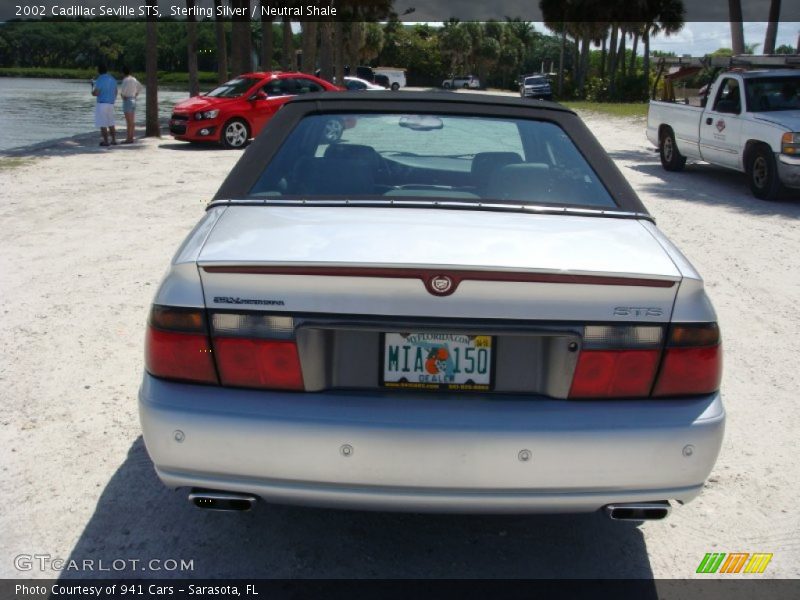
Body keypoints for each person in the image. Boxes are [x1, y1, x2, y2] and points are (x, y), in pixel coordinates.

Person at [92, 63, 118, 146]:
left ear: (99, 70)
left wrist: (92, 90)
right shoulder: (112, 79)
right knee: (111, 122)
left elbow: (96, 93)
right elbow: (116, 91)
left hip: (102, 103)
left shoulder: (99, 79)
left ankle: (106, 141)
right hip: (111, 103)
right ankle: (114, 140)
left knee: (102, 123)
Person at [119, 66, 143, 144]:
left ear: (123, 73)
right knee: (132, 121)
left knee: (128, 122)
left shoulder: (125, 80)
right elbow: (140, 87)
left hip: (127, 100)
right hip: (133, 100)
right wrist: (136, 94)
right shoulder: (134, 79)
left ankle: (128, 139)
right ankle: (131, 137)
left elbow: (123, 92)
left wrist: (123, 96)